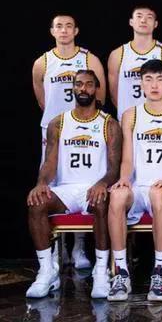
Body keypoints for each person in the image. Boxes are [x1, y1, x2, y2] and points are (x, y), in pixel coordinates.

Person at [26, 70, 121, 299]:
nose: (83, 89)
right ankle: (47, 271)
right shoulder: (58, 123)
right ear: (73, 88)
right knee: (36, 203)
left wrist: (102, 183)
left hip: (94, 188)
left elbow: (114, 168)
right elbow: (50, 162)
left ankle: (101, 271)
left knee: (102, 203)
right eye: (78, 84)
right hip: (66, 189)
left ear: (96, 89)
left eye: (88, 84)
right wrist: (41, 183)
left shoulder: (109, 124)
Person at [107, 60, 162, 301]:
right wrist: (124, 179)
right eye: (149, 80)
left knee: (157, 194)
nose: (154, 85)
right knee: (117, 196)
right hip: (138, 185)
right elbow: (127, 159)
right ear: (141, 84)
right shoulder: (130, 114)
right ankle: (121, 273)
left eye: (159, 79)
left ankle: (160, 270)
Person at [32, 14, 107, 269]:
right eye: (59, 26)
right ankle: (55, 249)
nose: (63, 30)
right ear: (52, 31)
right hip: (54, 130)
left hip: (84, 128)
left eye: (68, 26)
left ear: (76, 30)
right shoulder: (42, 62)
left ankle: (78, 247)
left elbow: (101, 95)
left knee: (82, 182)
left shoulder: (89, 59)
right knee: (50, 186)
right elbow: (42, 100)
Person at [107, 5, 162, 121]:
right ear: (131, 22)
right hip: (128, 121)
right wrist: (129, 115)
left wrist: (160, 114)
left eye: (149, 17)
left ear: (155, 24)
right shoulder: (117, 55)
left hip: (160, 121)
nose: (143, 20)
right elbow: (114, 94)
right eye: (139, 16)